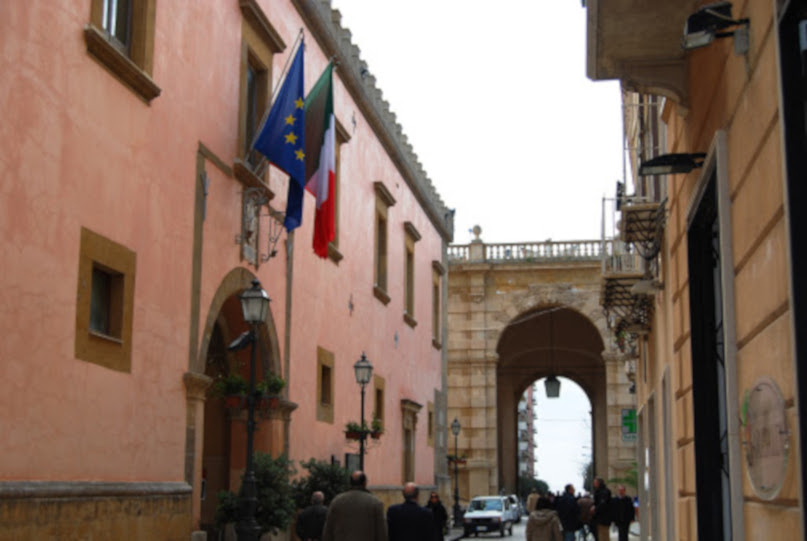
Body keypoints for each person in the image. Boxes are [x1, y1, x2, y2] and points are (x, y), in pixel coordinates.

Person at [322, 471, 388, 541]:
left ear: (350, 483)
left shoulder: (336, 501)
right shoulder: (375, 503)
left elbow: (328, 530)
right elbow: (382, 532)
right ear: (365, 483)